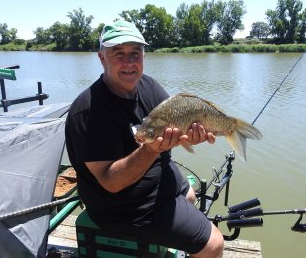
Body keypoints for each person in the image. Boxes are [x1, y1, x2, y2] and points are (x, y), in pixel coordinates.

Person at [65, 19, 224, 257]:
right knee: (214, 244)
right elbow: (111, 183)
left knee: (190, 194)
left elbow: (176, 130)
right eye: (118, 53)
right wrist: (150, 150)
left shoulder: (149, 86)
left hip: (157, 179)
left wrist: (191, 136)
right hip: (122, 207)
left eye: (135, 53)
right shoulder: (88, 112)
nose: (129, 62)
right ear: (101, 58)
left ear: (144, 56)